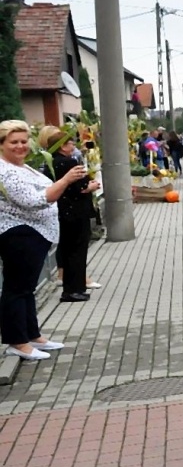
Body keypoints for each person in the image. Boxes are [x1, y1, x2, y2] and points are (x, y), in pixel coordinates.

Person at [0, 121, 83, 361]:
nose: (20, 146)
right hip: (19, 233)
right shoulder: (5, 171)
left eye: (24, 141)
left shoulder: (22, 167)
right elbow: (34, 200)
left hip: (36, 233)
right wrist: (66, 180)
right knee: (17, 288)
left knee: (27, 288)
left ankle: (32, 335)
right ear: (2, 145)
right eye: (13, 142)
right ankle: (17, 341)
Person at [41, 127, 100, 305]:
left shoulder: (52, 163)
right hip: (75, 211)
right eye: (68, 143)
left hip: (63, 211)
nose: (72, 145)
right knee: (77, 251)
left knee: (68, 250)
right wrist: (91, 186)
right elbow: (80, 188)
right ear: (60, 146)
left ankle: (71, 287)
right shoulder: (68, 163)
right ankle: (75, 289)